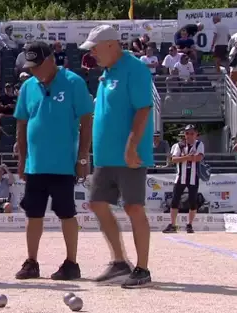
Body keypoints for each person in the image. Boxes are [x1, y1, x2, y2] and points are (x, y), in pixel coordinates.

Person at [80, 25, 154, 288]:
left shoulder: (134, 69)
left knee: (134, 207)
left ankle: (142, 269)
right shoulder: (108, 72)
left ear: (111, 45)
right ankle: (120, 262)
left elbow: (143, 108)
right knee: (97, 203)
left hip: (128, 155)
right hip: (105, 156)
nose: (92, 54)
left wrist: (132, 145)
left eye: (95, 48)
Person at [14, 41, 93, 281]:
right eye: (30, 67)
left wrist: (83, 157)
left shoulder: (73, 82)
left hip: (63, 164)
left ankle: (71, 263)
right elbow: (21, 123)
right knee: (33, 214)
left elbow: (86, 121)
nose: (33, 71)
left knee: (66, 213)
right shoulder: (28, 87)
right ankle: (32, 262)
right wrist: (21, 159)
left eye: (37, 66)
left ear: (50, 60)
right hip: (35, 165)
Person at [163, 125, 205, 234]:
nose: (189, 136)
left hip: (193, 177)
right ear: (184, 134)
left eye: (192, 133)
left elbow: (199, 158)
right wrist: (187, 157)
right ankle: (173, 225)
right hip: (180, 177)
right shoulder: (179, 145)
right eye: (187, 133)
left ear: (196, 134)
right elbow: (174, 159)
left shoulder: (199, 144)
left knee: (192, 202)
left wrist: (184, 158)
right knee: (174, 201)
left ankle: (189, 224)